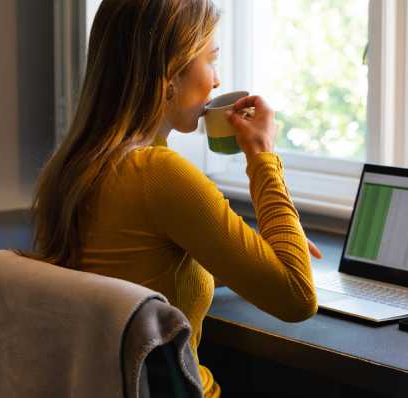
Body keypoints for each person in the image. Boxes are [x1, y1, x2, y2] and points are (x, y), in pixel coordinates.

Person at [24, 0, 321, 396]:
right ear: (169, 71)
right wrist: (262, 155)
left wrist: (257, 251)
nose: (216, 81)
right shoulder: (160, 174)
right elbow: (297, 297)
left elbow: (136, 268)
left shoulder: (74, 166)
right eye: (211, 60)